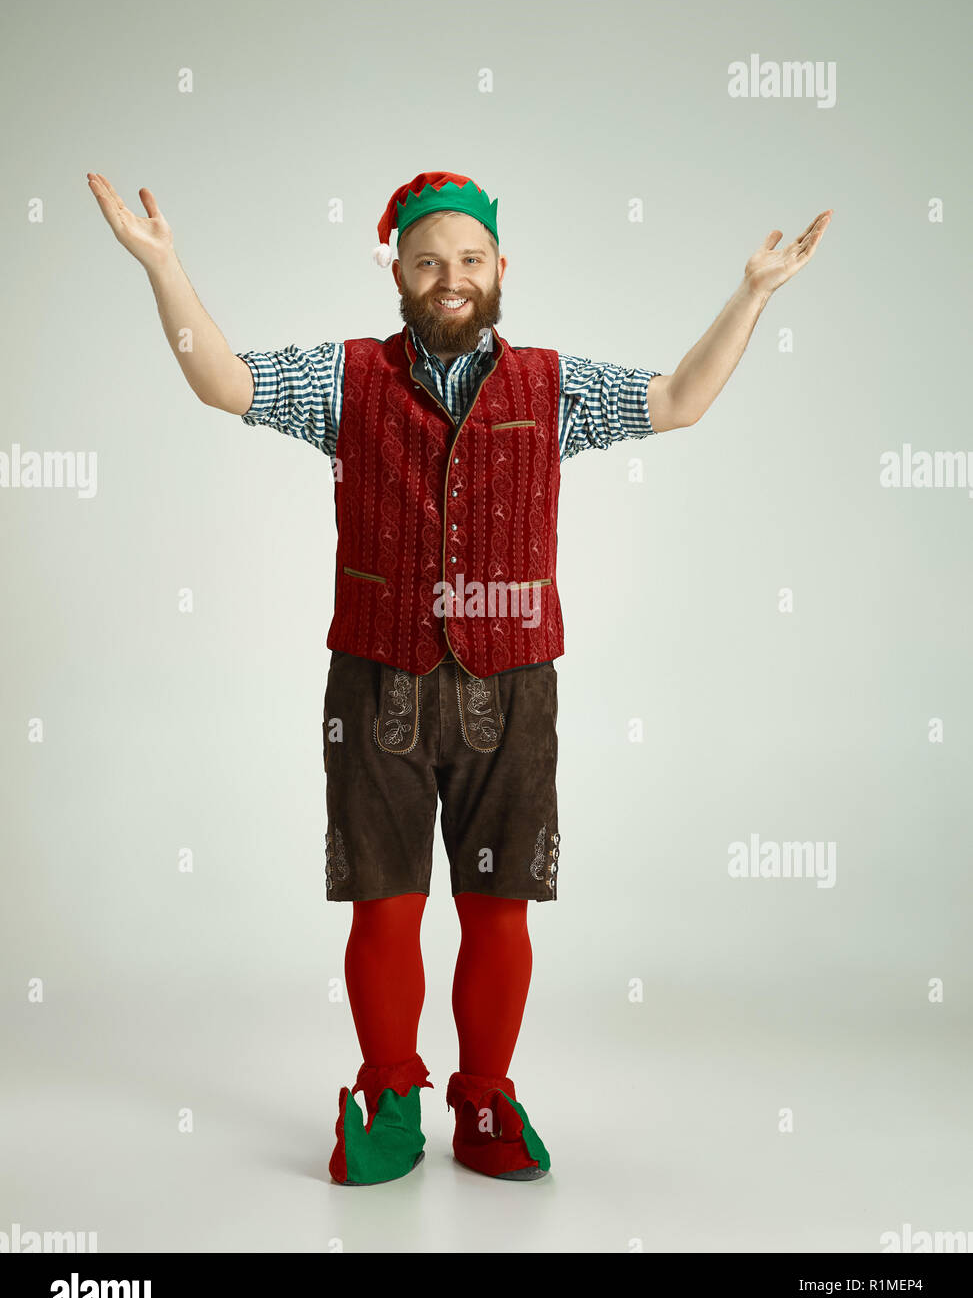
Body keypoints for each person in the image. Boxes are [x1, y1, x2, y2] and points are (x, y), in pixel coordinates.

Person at [86, 167, 832, 1186]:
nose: (451, 279)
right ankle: (389, 1094)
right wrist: (163, 267)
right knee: (385, 904)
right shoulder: (345, 379)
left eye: (469, 261)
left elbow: (676, 401)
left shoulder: (552, 385)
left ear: (499, 269)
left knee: (497, 906)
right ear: (397, 269)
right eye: (430, 261)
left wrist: (749, 294)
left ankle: (485, 1100)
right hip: (375, 677)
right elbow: (223, 382)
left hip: (513, 685)